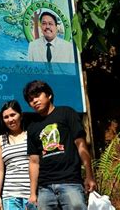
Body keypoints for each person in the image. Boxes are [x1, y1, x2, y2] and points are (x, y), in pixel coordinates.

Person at [23, 80, 96, 209]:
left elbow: (81, 146)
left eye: (37, 95)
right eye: (30, 99)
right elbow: (34, 162)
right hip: (44, 188)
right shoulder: (32, 127)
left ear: (49, 95)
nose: (34, 101)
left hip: (70, 182)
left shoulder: (67, 113)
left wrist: (89, 176)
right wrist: (33, 194)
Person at [0, 100, 31, 210]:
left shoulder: (30, 135)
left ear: (21, 115)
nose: (10, 119)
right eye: (6, 117)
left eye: (13, 115)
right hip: (10, 195)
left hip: (31, 193)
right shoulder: (0, 140)